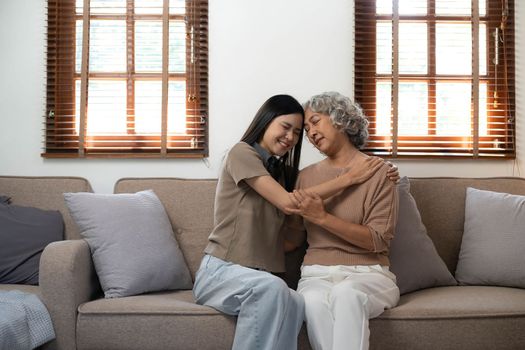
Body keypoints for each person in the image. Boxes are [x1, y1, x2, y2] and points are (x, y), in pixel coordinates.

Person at [192, 94, 394, 350]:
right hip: (223, 271)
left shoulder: (285, 175)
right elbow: (288, 202)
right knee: (273, 288)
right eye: (286, 127)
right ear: (265, 122)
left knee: (296, 301)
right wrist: (350, 178)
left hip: (261, 277)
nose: (293, 137)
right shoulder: (241, 152)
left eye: (298, 132)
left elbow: (291, 238)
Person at [285, 91, 400, 350]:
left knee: (345, 294)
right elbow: (292, 236)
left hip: (368, 275)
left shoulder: (379, 172)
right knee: (312, 302)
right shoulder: (304, 178)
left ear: (340, 119)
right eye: (306, 128)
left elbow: (378, 240)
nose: (311, 132)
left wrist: (323, 218)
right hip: (315, 275)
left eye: (316, 121)